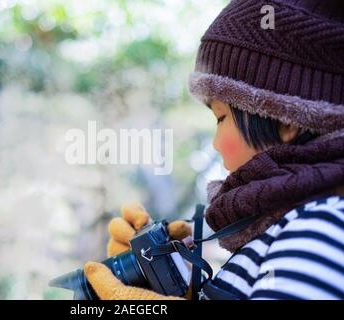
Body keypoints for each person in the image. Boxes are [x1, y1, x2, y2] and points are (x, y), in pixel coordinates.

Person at [83, 0, 344, 299]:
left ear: (286, 119)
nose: (216, 143)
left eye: (221, 117)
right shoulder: (281, 230)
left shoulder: (318, 228)